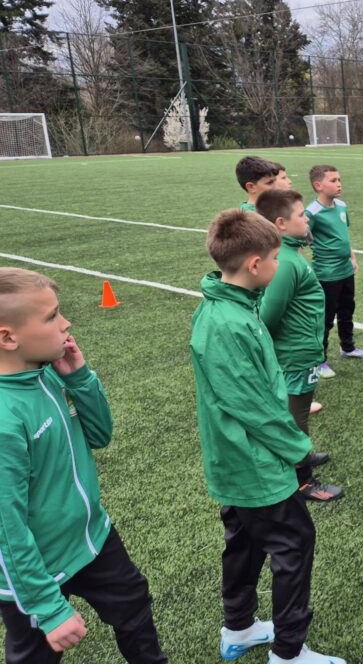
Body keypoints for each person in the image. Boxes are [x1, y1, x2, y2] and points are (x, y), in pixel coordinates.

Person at [190, 210, 345, 664]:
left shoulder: (234, 305)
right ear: (255, 264)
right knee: (294, 542)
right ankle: (289, 652)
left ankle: (238, 628)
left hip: (241, 458)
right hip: (252, 461)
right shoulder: (226, 322)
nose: (280, 265)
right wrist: (299, 450)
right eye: (276, 258)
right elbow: (251, 405)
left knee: (245, 541)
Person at [0, 268, 167, 664]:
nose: (66, 323)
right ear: (8, 338)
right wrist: (47, 607)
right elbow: (6, 529)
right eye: (51, 316)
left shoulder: (47, 374)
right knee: (35, 655)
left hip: (92, 537)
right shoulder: (5, 418)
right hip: (34, 569)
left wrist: (79, 378)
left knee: (134, 607)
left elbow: (100, 434)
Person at [256, 190, 344, 503]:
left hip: (301, 352)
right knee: (296, 418)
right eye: (301, 215)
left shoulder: (291, 255)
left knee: (299, 413)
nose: (307, 219)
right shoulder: (285, 262)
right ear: (281, 223)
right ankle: (301, 481)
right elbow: (267, 316)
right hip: (294, 355)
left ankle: (301, 456)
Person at [306, 165, 363, 384]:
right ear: (318, 185)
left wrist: (352, 257)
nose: (339, 184)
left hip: (345, 270)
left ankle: (348, 347)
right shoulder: (311, 212)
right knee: (325, 318)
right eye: (333, 180)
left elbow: (344, 236)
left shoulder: (342, 206)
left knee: (347, 309)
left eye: (339, 179)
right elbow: (302, 238)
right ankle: (319, 360)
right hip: (326, 273)